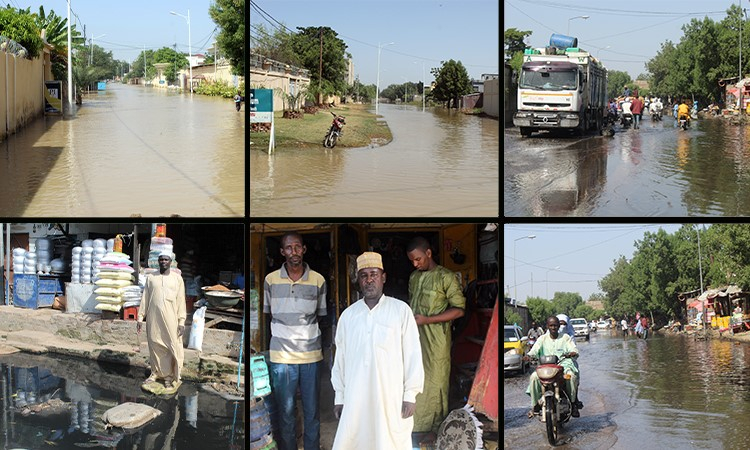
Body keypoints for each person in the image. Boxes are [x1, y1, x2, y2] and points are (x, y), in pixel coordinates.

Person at [331, 252, 424, 450]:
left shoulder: (401, 311)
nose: (369, 280)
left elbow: (413, 354)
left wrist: (410, 395)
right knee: (355, 441)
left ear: (383, 277)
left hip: (390, 396)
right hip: (356, 398)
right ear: (359, 280)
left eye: (374, 274)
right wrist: (340, 397)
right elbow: (341, 360)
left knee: (390, 442)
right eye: (364, 275)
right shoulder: (348, 316)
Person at [263, 232, 327, 450]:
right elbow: (270, 313)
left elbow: (319, 315)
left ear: (304, 249)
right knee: (286, 412)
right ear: (282, 252)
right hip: (281, 356)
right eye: (289, 248)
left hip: (310, 355)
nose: (294, 252)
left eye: (297, 247)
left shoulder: (318, 280)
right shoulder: (270, 280)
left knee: (312, 411)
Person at [405, 237, 465, 444]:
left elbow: (459, 310)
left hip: (437, 339)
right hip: (414, 337)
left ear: (428, 254)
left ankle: (436, 427)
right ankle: (416, 425)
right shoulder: (414, 277)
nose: (416, 264)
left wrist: (427, 320)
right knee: (415, 378)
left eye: (418, 259)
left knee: (437, 381)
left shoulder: (445, 277)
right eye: (412, 261)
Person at [137, 250, 186, 389]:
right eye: (161, 259)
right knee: (154, 344)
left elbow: (181, 300)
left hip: (171, 317)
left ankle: (169, 376)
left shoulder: (177, 279)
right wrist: (140, 317)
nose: (163, 261)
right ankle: (155, 373)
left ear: (171, 262)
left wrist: (181, 321)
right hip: (153, 317)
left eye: (166, 259)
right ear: (158, 261)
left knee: (170, 344)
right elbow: (145, 298)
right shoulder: (151, 278)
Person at [523, 316, 580, 418]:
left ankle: (573, 403)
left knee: (571, 376)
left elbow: (573, 348)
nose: (554, 328)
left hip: (563, 366)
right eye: (551, 325)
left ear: (559, 326)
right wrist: (529, 356)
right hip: (546, 368)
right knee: (533, 377)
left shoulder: (565, 337)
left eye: (556, 325)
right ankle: (535, 405)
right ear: (547, 326)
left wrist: (572, 352)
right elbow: (534, 350)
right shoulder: (542, 339)